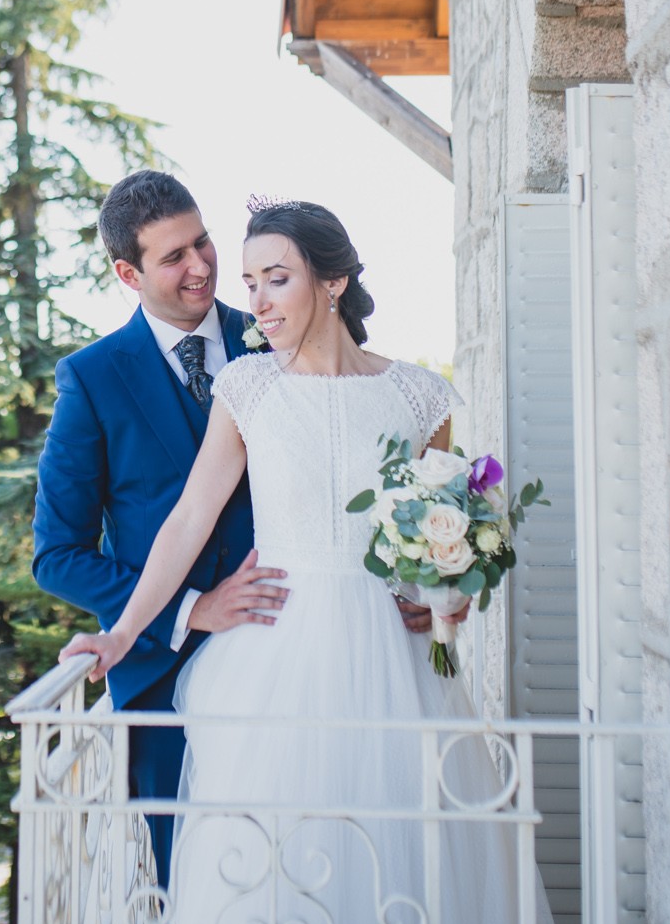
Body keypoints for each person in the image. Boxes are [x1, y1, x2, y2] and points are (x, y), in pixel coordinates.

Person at [58, 200, 550, 924]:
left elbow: (439, 533)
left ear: (333, 281)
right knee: (275, 865)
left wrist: (448, 595)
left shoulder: (420, 398)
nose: (256, 300)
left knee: (407, 854)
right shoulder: (248, 388)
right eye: (250, 281)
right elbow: (188, 519)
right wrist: (122, 633)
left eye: (277, 278)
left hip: (396, 660)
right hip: (275, 657)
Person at [32, 172, 436, 881]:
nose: (201, 267)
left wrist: (426, 583)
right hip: (164, 674)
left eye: (203, 242)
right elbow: (58, 554)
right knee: (207, 880)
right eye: (173, 257)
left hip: (337, 651)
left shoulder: (278, 332)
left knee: (374, 858)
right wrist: (189, 609)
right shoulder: (92, 379)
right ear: (128, 274)